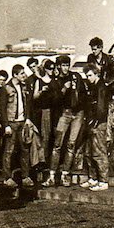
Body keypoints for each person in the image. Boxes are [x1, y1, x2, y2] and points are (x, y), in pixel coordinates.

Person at [42, 55, 86, 187]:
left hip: (77, 114)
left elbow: (83, 94)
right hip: (64, 114)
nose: (66, 68)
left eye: (67, 65)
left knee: (71, 145)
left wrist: (82, 111)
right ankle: (51, 176)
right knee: (57, 145)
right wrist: (64, 89)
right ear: (59, 66)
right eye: (63, 65)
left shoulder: (76, 77)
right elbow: (54, 101)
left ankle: (65, 175)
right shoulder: (55, 81)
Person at [0, 64, 34, 188]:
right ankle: (7, 177)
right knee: (9, 150)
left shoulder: (25, 87)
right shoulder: (6, 88)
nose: (24, 76)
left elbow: (28, 104)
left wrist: (28, 118)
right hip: (11, 122)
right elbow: (2, 108)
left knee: (25, 149)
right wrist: (6, 125)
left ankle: (25, 176)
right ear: (15, 75)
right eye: (21, 73)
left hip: (23, 122)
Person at [81, 64, 110, 191]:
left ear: (96, 74)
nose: (88, 78)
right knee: (88, 152)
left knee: (99, 152)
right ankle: (93, 178)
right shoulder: (93, 87)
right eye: (87, 76)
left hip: (98, 123)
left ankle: (103, 181)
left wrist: (96, 121)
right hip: (92, 122)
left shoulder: (101, 87)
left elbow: (101, 107)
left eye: (90, 75)